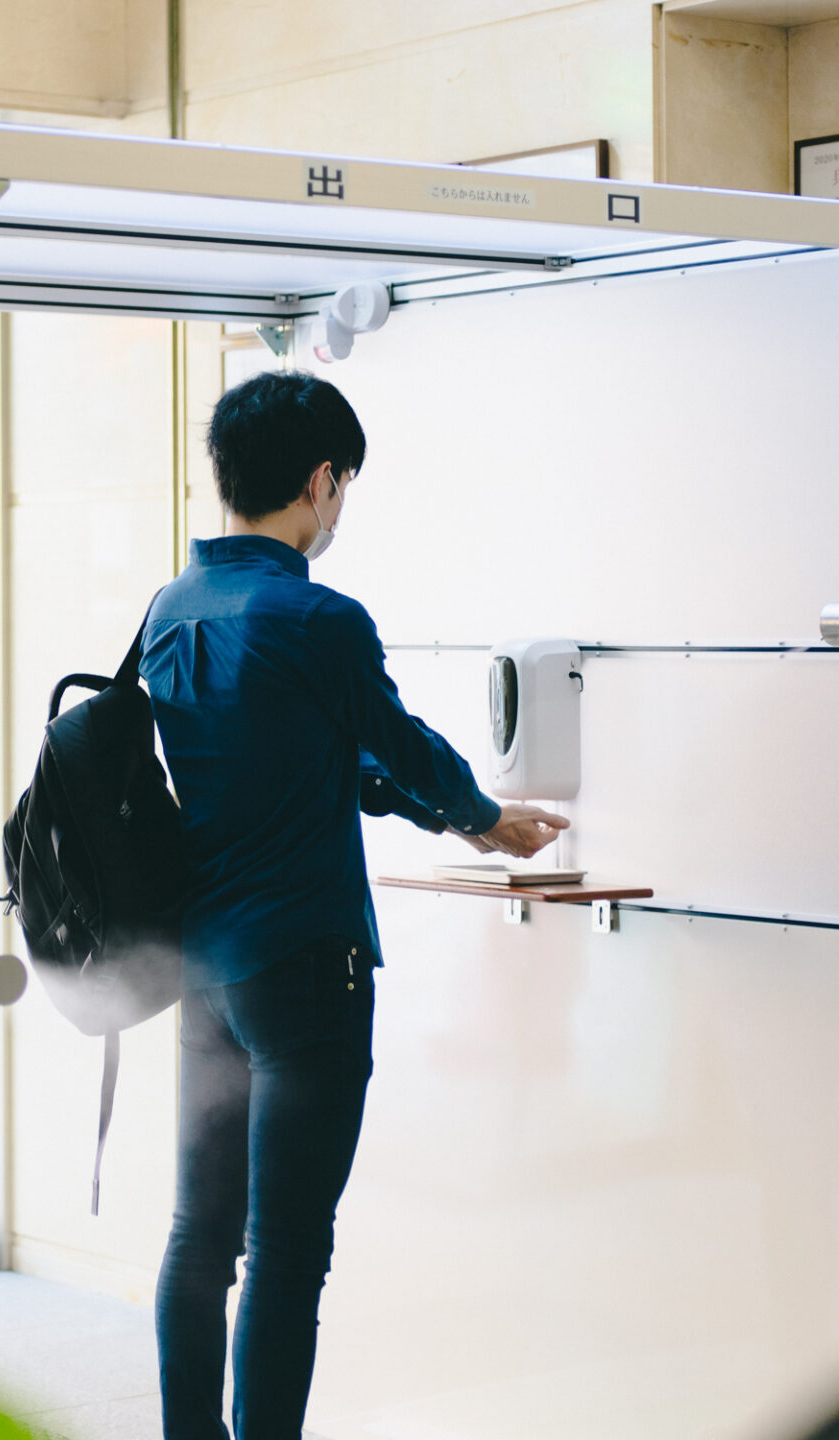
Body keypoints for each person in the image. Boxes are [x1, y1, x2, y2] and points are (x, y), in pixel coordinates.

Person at [139, 370, 568, 1440]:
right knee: (287, 1248)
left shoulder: (173, 608)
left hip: (204, 972)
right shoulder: (318, 616)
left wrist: (460, 820)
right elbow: (398, 747)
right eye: (344, 487)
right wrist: (481, 811)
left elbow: (328, 766)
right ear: (321, 482)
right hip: (303, 973)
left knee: (201, 1237)